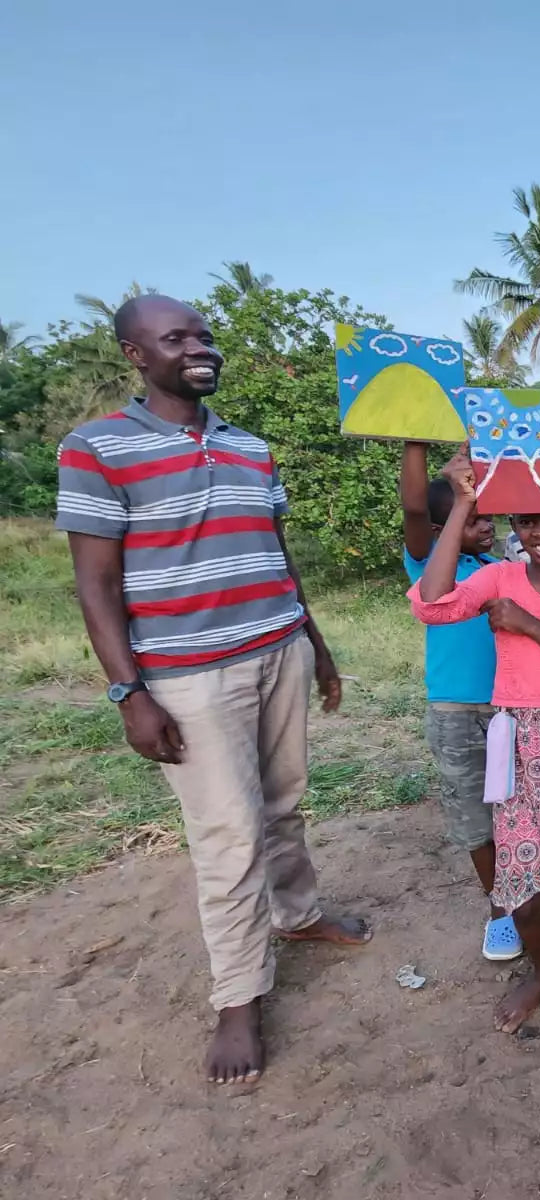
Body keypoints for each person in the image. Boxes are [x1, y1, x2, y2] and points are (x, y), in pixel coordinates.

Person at [56, 294, 370, 1085]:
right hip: (188, 674)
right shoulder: (97, 448)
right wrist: (129, 693)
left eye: (202, 335)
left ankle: (295, 917)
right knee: (228, 834)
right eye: (175, 338)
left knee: (285, 801)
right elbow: (95, 586)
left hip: (279, 651)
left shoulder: (250, 448)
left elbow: (276, 552)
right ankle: (239, 996)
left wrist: (317, 646)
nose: (198, 347)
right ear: (136, 353)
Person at [410, 475, 540, 1040]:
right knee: (523, 872)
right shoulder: (497, 576)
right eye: (527, 522)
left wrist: (526, 624)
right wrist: (461, 504)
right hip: (522, 741)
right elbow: (430, 607)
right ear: (513, 528)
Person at [400, 443, 540, 959]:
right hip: (456, 712)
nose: (484, 525)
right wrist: (439, 473)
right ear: (441, 529)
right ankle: (501, 910)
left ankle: (534, 907)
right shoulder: (430, 562)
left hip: (511, 710)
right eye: (472, 518)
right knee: (477, 822)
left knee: (520, 814)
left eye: (485, 518)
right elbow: (415, 510)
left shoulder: (503, 568)